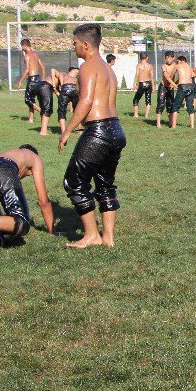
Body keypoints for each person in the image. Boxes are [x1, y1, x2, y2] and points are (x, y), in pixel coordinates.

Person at [59, 24, 127, 249]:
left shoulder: (88, 66)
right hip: (116, 129)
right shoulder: (108, 69)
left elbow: (86, 101)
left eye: (75, 43)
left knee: (74, 181)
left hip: (98, 130)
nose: (73, 46)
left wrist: (67, 130)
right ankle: (108, 237)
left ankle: (91, 235)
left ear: (85, 45)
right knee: (105, 184)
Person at [15, 38, 46, 124]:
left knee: (27, 100)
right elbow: (43, 67)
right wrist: (42, 79)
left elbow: (27, 70)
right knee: (32, 100)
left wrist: (20, 81)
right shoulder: (35, 55)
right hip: (38, 79)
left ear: (25, 45)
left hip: (32, 80)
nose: (21, 48)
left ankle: (42, 111)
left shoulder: (27, 56)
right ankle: (30, 119)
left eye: (21, 46)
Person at [170, 55, 196, 129]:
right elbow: (192, 76)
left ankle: (173, 126)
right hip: (190, 86)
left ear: (181, 60)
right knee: (190, 107)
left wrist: (171, 83)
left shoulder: (177, 66)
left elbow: (171, 76)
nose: (177, 62)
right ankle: (192, 126)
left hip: (182, 87)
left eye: (177, 61)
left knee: (176, 106)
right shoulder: (189, 66)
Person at [52, 66, 80, 134]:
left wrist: (61, 84)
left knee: (61, 111)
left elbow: (58, 73)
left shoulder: (64, 74)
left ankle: (63, 131)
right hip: (74, 88)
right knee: (77, 111)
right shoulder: (76, 75)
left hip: (65, 88)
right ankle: (79, 131)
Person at [155, 51, 177, 129]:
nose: (168, 60)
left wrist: (176, 83)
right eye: (166, 58)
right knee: (161, 103)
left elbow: (181, 75)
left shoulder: (175, 65)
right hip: (163, 86)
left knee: (170, 104)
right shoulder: (163, 66)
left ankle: (170, 123)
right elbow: (167, 77)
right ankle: (158, 123)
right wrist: (174, 84)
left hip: (170, 87)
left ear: (173, 58)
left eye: (170, 58)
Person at [131, 52, 154, 119]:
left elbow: (137, 75)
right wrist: (153, 86)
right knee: (148, 99)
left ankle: (136, 114)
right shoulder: (150, 66)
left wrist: (134, 84)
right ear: (147, 57)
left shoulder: (139, 65)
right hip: (148, 83)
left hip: (142, 83)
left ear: (140, 58)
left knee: (136, 99)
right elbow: (152, 77)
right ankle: (146, 115)